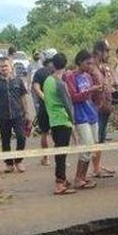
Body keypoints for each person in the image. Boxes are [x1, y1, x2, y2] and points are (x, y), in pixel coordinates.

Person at [0, 56, 33, 173]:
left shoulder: (18, 80)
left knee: (21, 137)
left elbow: (23, 97)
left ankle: (18, 161)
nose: (4, 68)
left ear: (11, 67)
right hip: (3, 116)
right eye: (1, 66)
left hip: (18, 115)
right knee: (5, 140)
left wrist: (27, 113)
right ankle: (9, 163)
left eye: (6, 66)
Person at [65, 49, 101, 190]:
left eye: (92, 63)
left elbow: (90, 96)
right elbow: (73, 97)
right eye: (88, 63)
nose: (90, 66)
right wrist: (90, 90)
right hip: (80, 116)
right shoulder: (70, 76)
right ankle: (78, 178)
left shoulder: (88, 76)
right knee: (85, 147)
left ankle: (83, 176)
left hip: (91, 114)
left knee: (92, 148)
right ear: (80, 62)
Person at [43, 53, 76, 196]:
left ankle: (62, 178)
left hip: (53, 121)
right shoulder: (60, 83)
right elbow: (68, 105)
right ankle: (59, 183)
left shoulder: (47, 81)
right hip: (63, 121)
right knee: (62, 154)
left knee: (59, 152)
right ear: (65, 65)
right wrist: (73, 121)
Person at [88, 40, 116, 177]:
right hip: (96, 109)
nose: (109, 54)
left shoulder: (102, 68)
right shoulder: (91, 68)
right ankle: (96, 168)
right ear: (99, 52)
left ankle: (97, 165)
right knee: (97, 138)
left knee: (101, 137)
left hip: (104, 107)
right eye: (107, 51)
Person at [32, 49, 56, 166]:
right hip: (57, 108)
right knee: (58, 133)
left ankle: (46, 158)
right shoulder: (59, 71)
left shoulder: (39, 72)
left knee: (44, 133)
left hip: (44, 107)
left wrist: (45, 98)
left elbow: (36, 88)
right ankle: (59, 158)